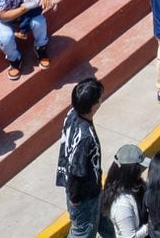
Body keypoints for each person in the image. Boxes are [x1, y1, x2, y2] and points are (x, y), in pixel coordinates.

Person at [58, 77, 106, 238]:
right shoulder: (85, 137)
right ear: (93, 106)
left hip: (92, 191)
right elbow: (76, 171)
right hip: (85, 198)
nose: (102, 100)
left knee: (103, 223)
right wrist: (75, 199)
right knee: (83, 232)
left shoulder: (72, 114)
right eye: (100, 99)